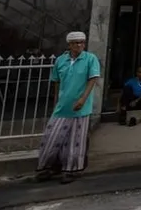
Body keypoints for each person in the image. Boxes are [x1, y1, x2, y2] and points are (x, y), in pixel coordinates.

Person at [35, 31, 101, 184]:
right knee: (51, 136)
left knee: (75, 140)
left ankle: (71, 170)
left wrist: (83, 99)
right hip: (62, 106)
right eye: (76, 43)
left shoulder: (90, 59)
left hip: (81, 107)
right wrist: (57, 100)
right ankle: (46, 167)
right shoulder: (61, 60)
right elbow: (56, 82)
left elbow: (92, 80)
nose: (79, 45)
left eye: (81, 42)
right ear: (69, 44)